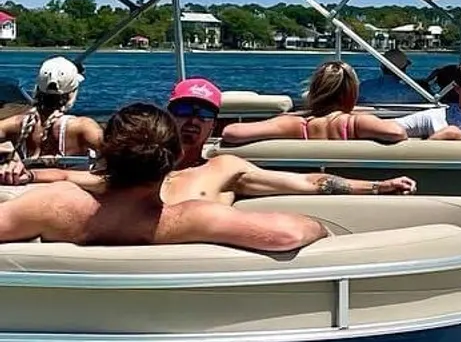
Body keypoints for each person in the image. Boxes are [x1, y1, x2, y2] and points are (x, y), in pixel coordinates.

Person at [0, 104, 326, 252]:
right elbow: (288, 234)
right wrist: (321, 226)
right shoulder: (191, 219)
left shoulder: (54, 204)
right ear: (170, 160)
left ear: (106, 154)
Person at [162, 79, 419, 201]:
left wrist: (377, 186)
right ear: (168, 114)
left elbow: (310, 182)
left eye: (204, 113)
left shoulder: (223, 169)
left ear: (214, 124)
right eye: (185, 110)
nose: (194, 120)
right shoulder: (131, 161)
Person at [222, 62, 410, 147]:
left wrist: (295, 115)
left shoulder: (295, 124)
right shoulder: (356, 123)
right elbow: (396, 132)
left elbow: (231, 132)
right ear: (352, 93)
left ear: (314, 91)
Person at [0, 58, 104, 164]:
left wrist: (10, 157)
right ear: (72, 93)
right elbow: (116, 152)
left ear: (37, 89)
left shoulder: (15, 124)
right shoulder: (82, 126)